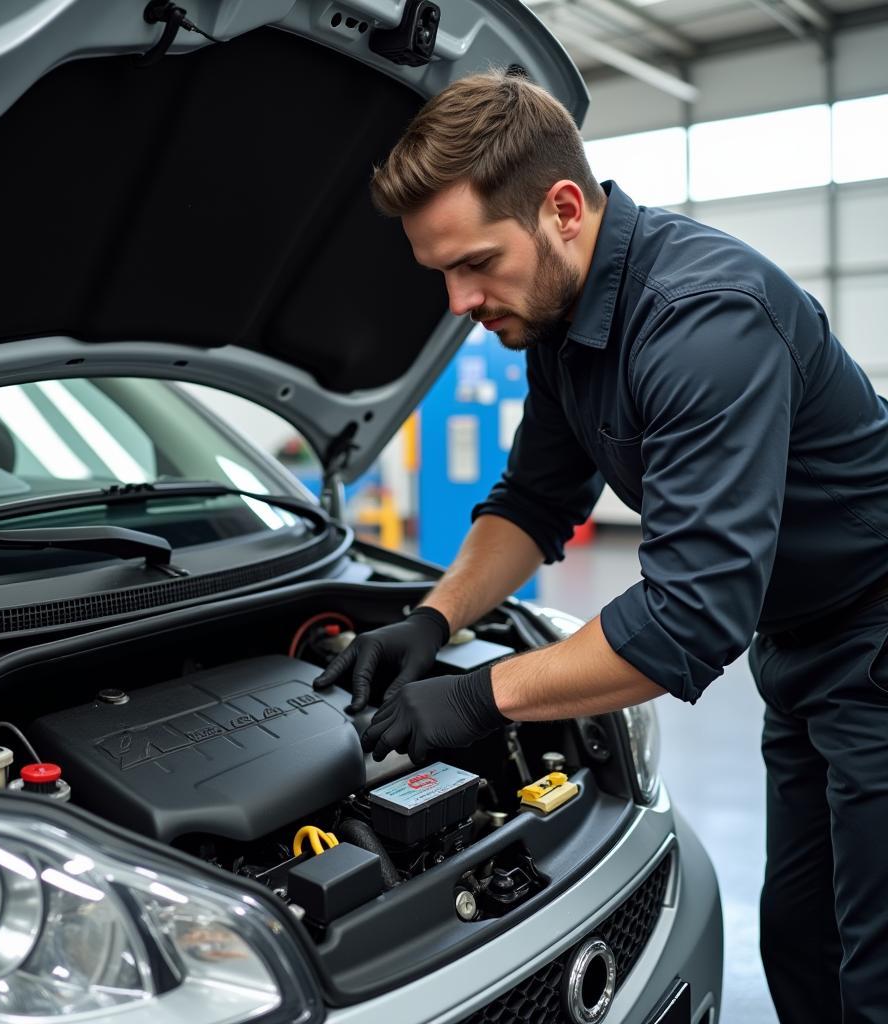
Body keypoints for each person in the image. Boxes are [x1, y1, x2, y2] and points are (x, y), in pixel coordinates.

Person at [312, 71, 888, 1024]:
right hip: (801, 649)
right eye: (442, 274)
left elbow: (688, 624)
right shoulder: (562, 319)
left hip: (873, 635)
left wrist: (472, 698)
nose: (459, 301)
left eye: (477, 264)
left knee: (875, 973)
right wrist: (431, 619)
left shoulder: (703, 323)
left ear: (563, 209)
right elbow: (535, 501)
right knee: (801, 935)